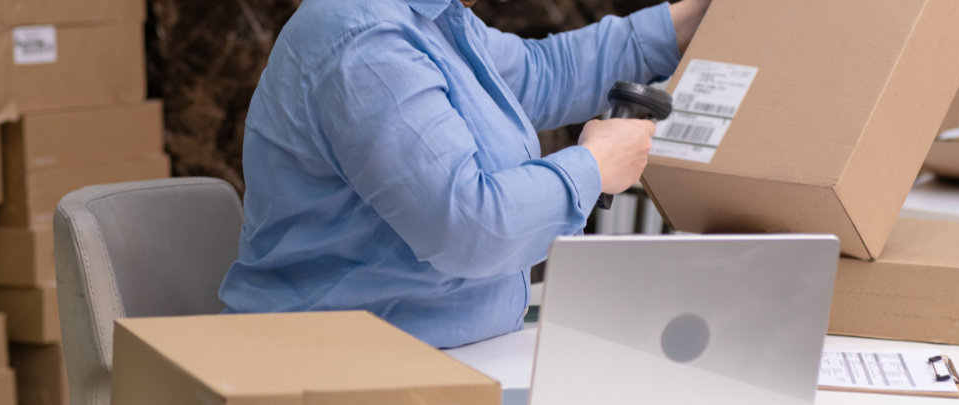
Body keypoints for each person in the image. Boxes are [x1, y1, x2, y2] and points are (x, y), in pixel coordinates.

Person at [219, 0, 711, 348]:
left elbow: (541, 72)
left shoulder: (432, 19)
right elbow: (469, 226)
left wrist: (687, 21)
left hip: (443, 354)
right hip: (337, 370)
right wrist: (592, 169)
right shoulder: (364, 40)